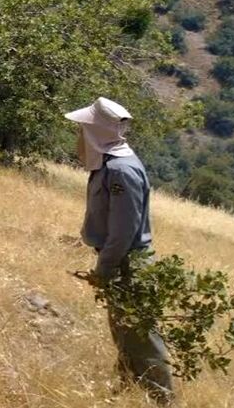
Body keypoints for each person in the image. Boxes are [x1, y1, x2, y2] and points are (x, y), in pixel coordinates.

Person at [66, 96, 174, 403]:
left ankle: (163, 400)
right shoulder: (110, 164)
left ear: (96, 131)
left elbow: (124, 230)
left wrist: (104, 268)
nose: (79, 135)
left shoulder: (121, 171)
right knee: (126, 335)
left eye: (83, 129)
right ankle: (127, 394)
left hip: (129, 266)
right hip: (121, 263)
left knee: (143, 340)